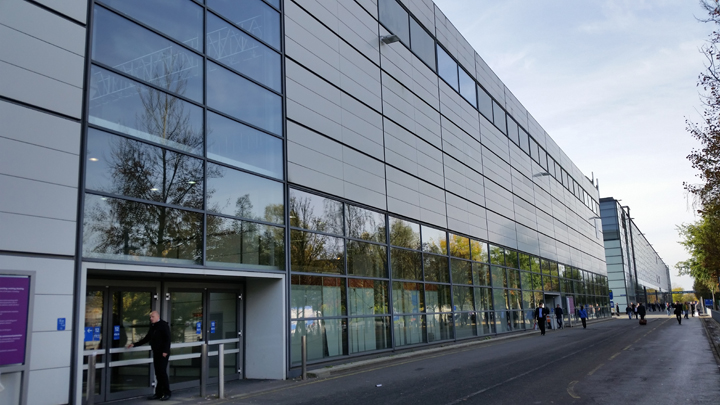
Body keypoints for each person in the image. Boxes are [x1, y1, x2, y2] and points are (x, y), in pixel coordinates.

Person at [127, 311, 172, 401]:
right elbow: (147, 338)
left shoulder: (163, 325)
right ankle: (158, 393)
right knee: (158, 373)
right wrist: (135, 344)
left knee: (162, 372)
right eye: (150, 317)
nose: (151, 318)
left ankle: (167, 393)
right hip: (156, 352)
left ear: (158, 316)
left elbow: (167, 339)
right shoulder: (153, 326)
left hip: (163, 353)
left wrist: (165, 351)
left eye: (152, 317)